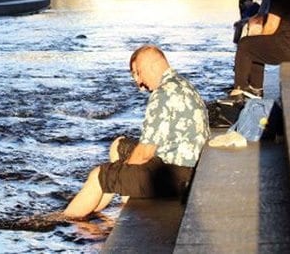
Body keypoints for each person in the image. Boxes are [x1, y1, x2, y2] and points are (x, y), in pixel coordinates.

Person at [61, 45, 209, 218]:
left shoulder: (162, 94)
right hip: (189, 168)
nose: (138, 82)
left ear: (153, 66)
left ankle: (65, 221)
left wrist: (118, 171)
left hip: (175, 176)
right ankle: (114, 203)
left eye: (138, 73)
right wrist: (119, 170)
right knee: (119, 146)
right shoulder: (181, 84)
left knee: (99, 176)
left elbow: (145, 153)